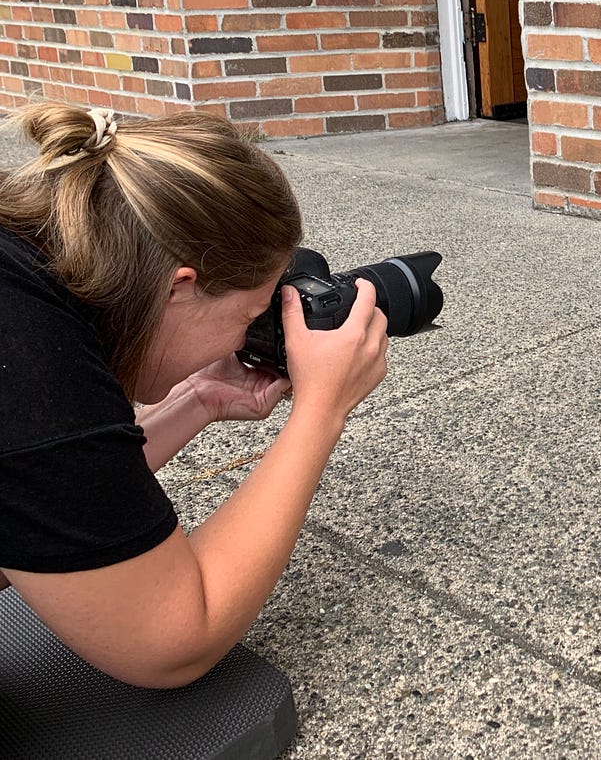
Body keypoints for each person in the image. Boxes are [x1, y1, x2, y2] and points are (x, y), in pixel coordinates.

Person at [0, 102, 388, 688]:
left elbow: (34, 501)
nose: (245, 337)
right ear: (179, 287)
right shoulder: (31, 356)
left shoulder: (30, 274)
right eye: (252, 314)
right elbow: (173, 641)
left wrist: (199, 398)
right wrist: (320, 409)